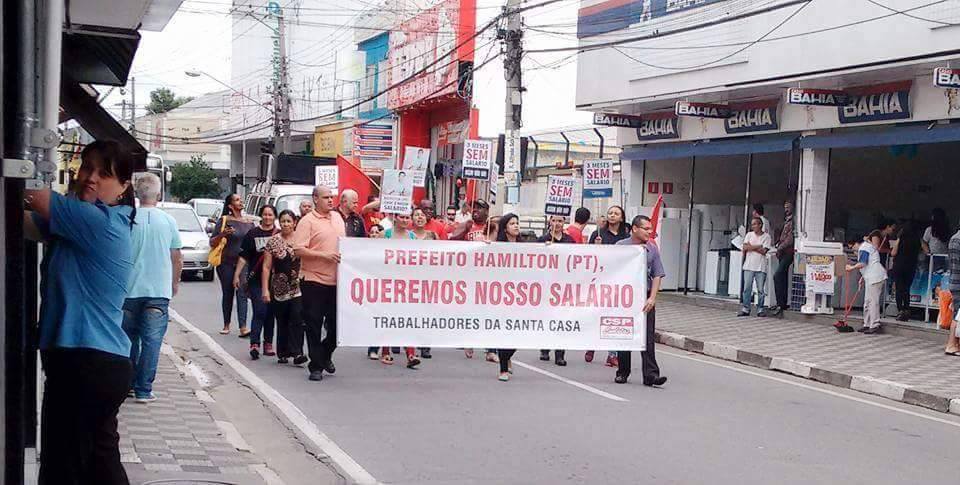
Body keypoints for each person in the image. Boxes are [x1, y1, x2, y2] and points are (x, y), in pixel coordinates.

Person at [25, 140, 137, 483]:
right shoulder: (79, 222)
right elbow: (25, 223)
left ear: (123, 188)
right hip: (98, 362)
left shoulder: (99, 221)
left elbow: (32, 196)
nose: (91, 178)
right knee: (99, 464)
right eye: (87, 167)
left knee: (64, 467)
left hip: (86, 361)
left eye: (104, 173)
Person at [122, 173, 183, 403]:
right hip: (158, 291)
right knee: (152, 342)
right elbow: (177, 256)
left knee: (127, 339)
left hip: (128, 290)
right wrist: (174, 283)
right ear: (158, 194)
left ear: (137, 194)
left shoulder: (128, 218)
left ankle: (126, 384)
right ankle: (144, 389)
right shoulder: (168, 221)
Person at [293, 186, 346, 381]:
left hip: (338, 280)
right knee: (314, 323)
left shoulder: (338, 218)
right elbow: (298, 249)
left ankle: (324, 354)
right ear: (315, 199)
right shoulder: (307, 222)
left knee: (337, 325)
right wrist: (323, 255)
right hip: (314, 279)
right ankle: (316, 365)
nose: (331, 201)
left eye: (332, 197)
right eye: (326, 197)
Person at [614, 215, 668, 386]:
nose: (649, 232)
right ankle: (623, 371)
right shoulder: (620, 247)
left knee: (648, 336)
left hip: (644, 296)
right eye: (646, 228)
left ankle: (651, 374)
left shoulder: (652, 248)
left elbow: (658, 274)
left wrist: (652, 297)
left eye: (650, 229)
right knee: (624, 334)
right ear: (635, 229)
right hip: (625, 297)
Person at [449, 199, 498, 361]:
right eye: (474, 208)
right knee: (470, 311)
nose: (476, 210)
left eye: (480, 208)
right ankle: (469, 340)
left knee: (489, 313)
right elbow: (452, 241)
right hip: (470, 276)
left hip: (488, 277)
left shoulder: (493, 226)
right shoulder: (468, 225)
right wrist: (464, 228)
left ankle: (490, 350)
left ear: (487, 211)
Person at [262, 210, 308, 366]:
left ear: (294, 222)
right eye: (283, 221)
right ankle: (282, 352)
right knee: (282, 320)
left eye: (289, 221)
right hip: (279, 287)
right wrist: (265, 290)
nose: (286, 224)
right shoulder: (273, 241)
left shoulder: (301, 240)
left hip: (298, 286)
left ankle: (298, 353)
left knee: (297, 318)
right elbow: (267, 267)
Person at [587, 206, 630, 366]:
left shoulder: (626, 236)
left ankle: (612, 354)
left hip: (618, 282)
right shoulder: (598, 234)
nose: (612, 216)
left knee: (613, 317)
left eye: (616, 213)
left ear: (621, 217)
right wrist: (595, 247)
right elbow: (587, 256)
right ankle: (591, 344)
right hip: (599, 280)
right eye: (610, 213)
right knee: (596, 314)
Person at [236, 205, 279, 359]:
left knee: (270, 313)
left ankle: (268, 343)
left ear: (274, 216)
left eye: (270, 214)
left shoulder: (279, 235)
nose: (267, 217)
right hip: (256, 279)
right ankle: (255, 343)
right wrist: (237, 275)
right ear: (261, 216)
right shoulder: (252, 234)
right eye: (265, 214)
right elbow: (244, 257)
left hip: (275, 281)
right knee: (259, 311)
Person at [380, 214, 422, 368]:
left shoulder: (412, 237)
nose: (405, 220)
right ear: (395, 218)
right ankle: (385, 351)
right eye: (402, 217)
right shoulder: (385, 235)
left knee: (408, 318)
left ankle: (410, 353)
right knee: (389, 318)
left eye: (407, 217)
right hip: (388, 282)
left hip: (407, 284)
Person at [210, 193, 254, 336]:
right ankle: (226, 324)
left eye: (241, 200)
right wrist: (223, 234)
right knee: (228, 292)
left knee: (242, 292)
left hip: (243, 263)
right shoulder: (224, 220)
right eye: (237, 200)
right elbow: (212, 242)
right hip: (226, 262)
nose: (240, 202)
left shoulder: (249, 222)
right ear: (230, 205)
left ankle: (243, 327)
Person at [538, 215, 575, 366]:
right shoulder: (542, 240)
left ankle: (560, 353)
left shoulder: (570, 241)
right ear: (549, 222)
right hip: (547, 285)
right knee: (547, 317)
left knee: (562, 319)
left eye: (560, 221)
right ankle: (545, 348)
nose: (557, 224)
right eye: (554, 221)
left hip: (564, 285)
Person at [495, 213, 525, 381]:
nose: (516, 226)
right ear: (505, 227)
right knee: (504, 332)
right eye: (512, 223)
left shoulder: (523, 245)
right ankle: (503, 369)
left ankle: (506, 357)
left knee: (520, 333)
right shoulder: (499, 245)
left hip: (521, 296)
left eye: (517, 223)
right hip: (502, 295)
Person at [845, 231, 887, 334]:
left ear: (856, 243)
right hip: (871, 276)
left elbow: (863, 263)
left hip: (875, 277)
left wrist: (852, 267)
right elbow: (867, 265)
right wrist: (862, 278)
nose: (852, 249)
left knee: (873, 301)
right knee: (868, 302)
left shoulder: (864, 248)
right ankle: (867, 324)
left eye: (851, 247)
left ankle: (875, 324)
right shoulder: (866, 247)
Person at [737, 217, 772, 317]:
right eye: (752, 225)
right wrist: (758, 246)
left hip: (760, 267)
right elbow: (744, 247)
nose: (753, 227)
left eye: (755, 224)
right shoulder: (749, 235)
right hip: (748, 265)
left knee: (760, 289)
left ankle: (760, 308)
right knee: (747, 288)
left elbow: (764, 251)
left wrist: (751, 246)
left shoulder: (767, 237)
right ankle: (746, 308)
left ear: (760, 225)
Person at [769, 200, 795, 318]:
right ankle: (782, 303)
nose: (786, 209)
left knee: (778, 275)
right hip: (783, 251)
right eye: (785, 207)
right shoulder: (787, 220)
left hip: (788, 251)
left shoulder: (793, 221)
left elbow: (790, 239)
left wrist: (780, 247)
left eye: (788, 207)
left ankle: (780, 303)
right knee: (783, 276)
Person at [891, 221, 921, 322]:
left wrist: (898, 239)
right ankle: (907, 309)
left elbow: (893, 253)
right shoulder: (917, 240)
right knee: (906, 288)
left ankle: (900, 310)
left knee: (899, 288)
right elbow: (926, 251)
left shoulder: (901, 239)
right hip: (911, 267)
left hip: (899, 266)